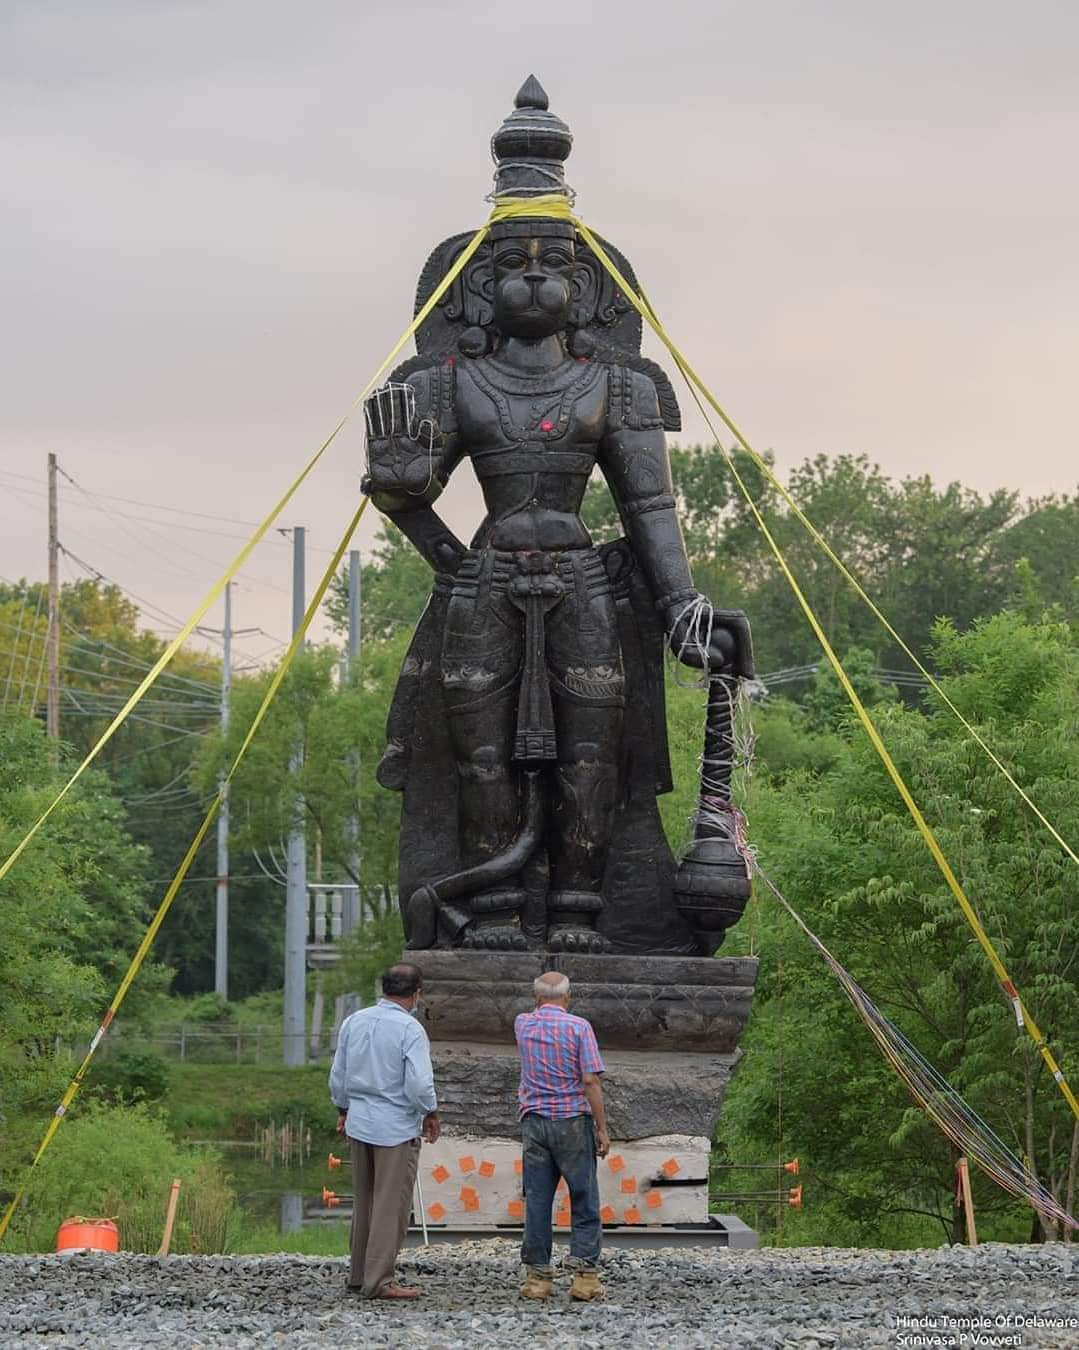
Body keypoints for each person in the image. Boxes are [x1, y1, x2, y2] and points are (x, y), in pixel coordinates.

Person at [328, 962, 440, 1299]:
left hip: (360, 1120)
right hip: (395, 1125)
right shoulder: (410, 1029)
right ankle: (379, 1281)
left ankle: (359, 1274)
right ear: (416, 992)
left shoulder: (354, 1021)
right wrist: (430, 1111)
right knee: (390, 1205)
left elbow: (338, 1074)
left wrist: (343, 1109)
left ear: (384, 987)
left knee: (364, 1201)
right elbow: (419, 1084)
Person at [514, 970, 610, 1302]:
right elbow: (590, 1081)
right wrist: (602, 1127)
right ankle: (584, 1278)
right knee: (583, 1196)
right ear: (568, 998)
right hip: (572, 1122)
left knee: (538, 1199)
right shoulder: (579, 1027)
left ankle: (538, 1279)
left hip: (534, 1122)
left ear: (536, 997)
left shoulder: (522, 1024)